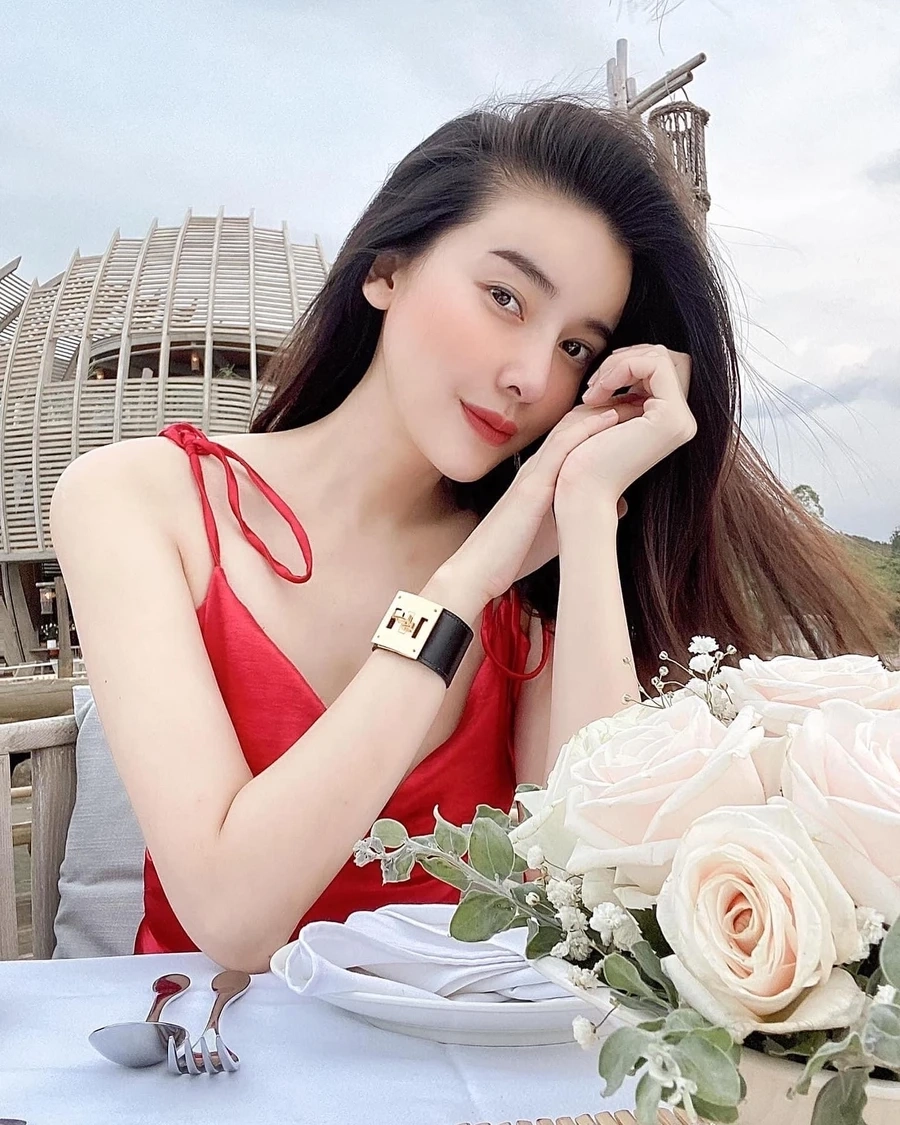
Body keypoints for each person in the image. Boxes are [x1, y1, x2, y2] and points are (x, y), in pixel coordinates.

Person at [50, 95, 895, 973]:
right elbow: (233, 915)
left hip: (470, 1053)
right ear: (387, 269)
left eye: (577, 348)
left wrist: (587, 507)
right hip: (209, 1045)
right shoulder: (137, 499)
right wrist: (464, 580)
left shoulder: (535, 574)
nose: (532, 376)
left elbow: (596, 885)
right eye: (504, 297)